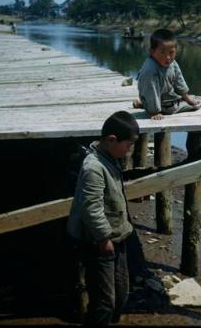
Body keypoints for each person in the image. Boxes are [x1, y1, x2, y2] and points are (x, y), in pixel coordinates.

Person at [66, 111, 156, 325]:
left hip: (118, 237)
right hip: (99, 241)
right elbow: (91, 207)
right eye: (128, 145)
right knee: (104, 301)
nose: (129, 150)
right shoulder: (93, 168)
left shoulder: (110, 157)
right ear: (111, 140)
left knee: (122, 292)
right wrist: (104, 238)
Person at [134, 28, 201, 120]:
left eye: (171, 53)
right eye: (162, 52)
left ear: (176, 51)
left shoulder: (172, 63)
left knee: (188, 99)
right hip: (165, 105)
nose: (167, 57)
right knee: (194, 106)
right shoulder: (150, 70)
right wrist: (155, 112)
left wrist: (186, 97)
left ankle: (144, 104)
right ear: (152, 51)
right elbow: (150, 91)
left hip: (167, 97)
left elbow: (179, 80)